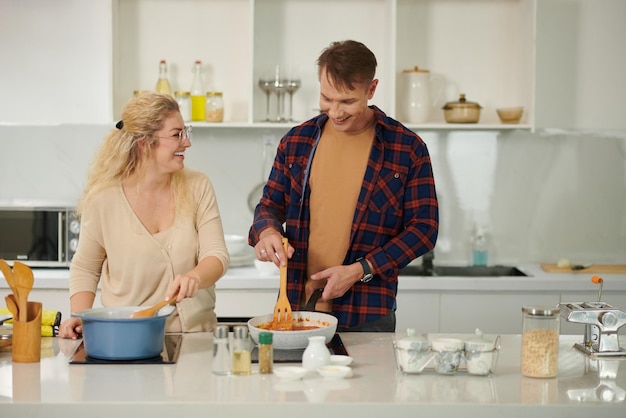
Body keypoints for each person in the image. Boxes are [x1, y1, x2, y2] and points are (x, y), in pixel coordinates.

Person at [249, 40, 439, 332]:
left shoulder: (407, 148)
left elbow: (424, 229)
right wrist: (267, 231)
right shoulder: (297, 141)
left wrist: (360, 270)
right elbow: (269, 206)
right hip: (297, 308)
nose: (335, 112)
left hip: (368, 313)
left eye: (347, 101)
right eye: (326, 98)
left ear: (371, 90)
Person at [59, 92, 229, 338]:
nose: (187, 143)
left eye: (186, 132)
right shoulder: (103, 199)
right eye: (176, 135)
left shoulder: (198, 186)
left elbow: (217, 255)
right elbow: (86, 267)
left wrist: (195, 276)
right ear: (144, 143)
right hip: (128, 339)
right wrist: (78, 315)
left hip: (196, 340)